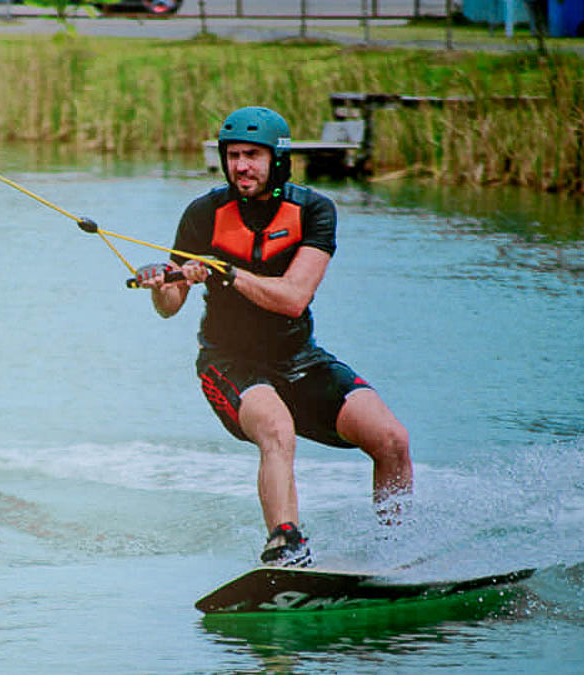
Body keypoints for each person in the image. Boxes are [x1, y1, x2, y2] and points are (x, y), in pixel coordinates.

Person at [136, 106, 413, 567]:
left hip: (299, 360)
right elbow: (171, 307)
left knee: (392, 439)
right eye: (233, 156)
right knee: (278, 429)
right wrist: (160, 285)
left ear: (277, 159)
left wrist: (227, 274)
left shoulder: (314, 211)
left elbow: (292, 298)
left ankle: (401, 552)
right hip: (229, 365)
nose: (241, 166)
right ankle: (286, 547)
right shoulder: (204, 215)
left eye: (252, 155)